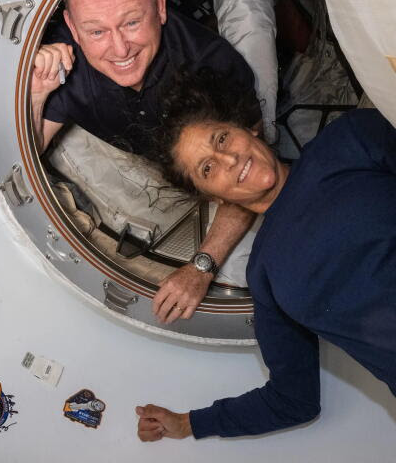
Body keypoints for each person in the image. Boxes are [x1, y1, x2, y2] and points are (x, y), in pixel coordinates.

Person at [136, 67, 396, 440]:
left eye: (222, 138)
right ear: (214, 197)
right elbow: (293, 398)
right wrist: (190, 423)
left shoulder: (347, 140)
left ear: (248, 127)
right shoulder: (264, 275)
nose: (228, 161)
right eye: (208, 168)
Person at [30, 0, 259, 322]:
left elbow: (253, 175)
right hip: (143, 160)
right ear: (72, 28)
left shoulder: (212, 66)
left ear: (160, 5)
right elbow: (29, 148)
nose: (119, 49)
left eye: (132, 22)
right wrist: (38, 92)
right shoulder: (64, 62)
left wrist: (202, 266)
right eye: (97, 31)